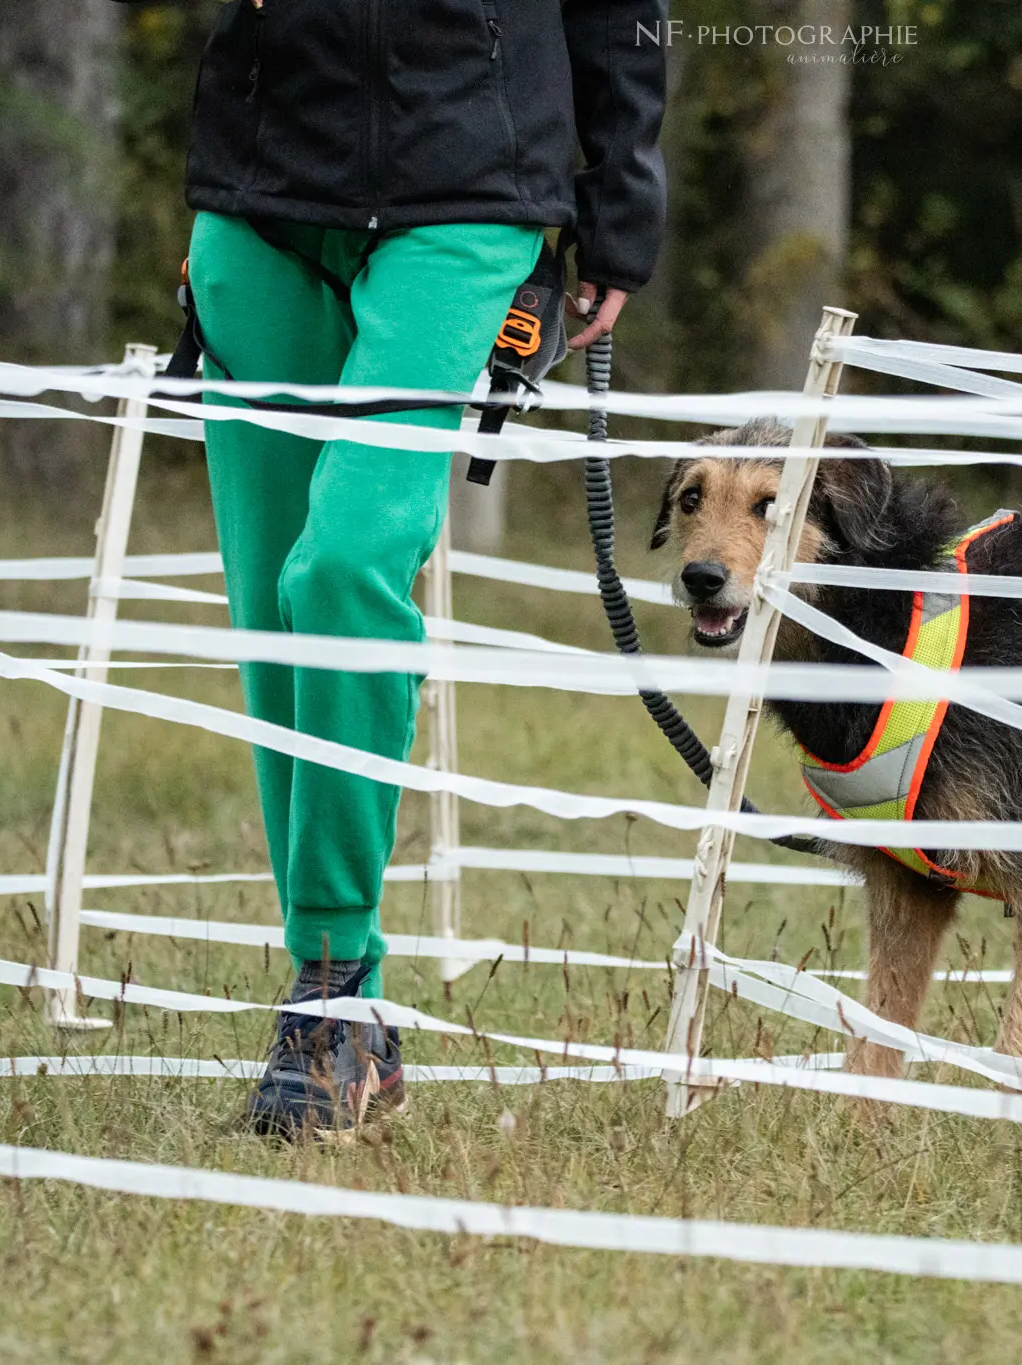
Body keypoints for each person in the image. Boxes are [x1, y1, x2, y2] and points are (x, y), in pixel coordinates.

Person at [119, 0, 666, 1139]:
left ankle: (325, 985)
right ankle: (342, 1006)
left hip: (467, 190)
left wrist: (621, 203)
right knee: (275, 611)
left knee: (344, 564)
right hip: (259, 192)